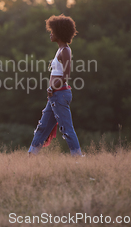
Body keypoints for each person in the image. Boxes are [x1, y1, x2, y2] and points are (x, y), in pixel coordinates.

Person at [28, 14, 84, 157]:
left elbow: (66, 75)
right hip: (55, 96)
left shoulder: (65, 50)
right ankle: (31, 156)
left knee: (66, 128)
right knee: (42, 127)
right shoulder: (59, 50)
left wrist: (52, 88)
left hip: (60, 94)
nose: (50, 34)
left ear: (60, 32)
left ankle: (77, 157)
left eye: (52, 31)